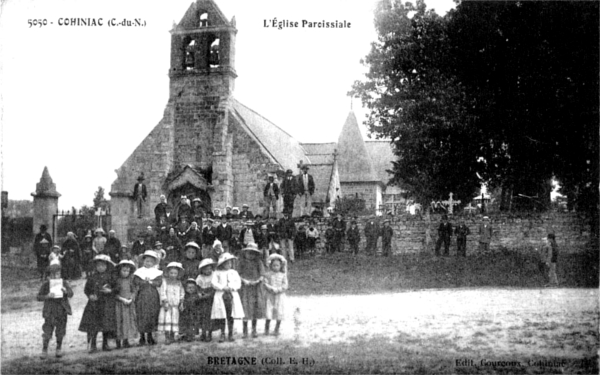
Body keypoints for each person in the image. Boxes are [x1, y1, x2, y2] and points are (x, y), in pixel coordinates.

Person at [78, 254, 117, 353]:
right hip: (94, 304)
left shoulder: (110, 277)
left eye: (103, 265)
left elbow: (117, 288)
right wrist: (90, 295)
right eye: (98, 265)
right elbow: (87, 289)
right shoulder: (92, 277)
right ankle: (93, 344)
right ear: (95, 266)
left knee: (106, 325)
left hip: (106, 303)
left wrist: (110, 291)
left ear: (107, 266)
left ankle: (105, 344)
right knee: (93, 325)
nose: (101, 267)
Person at [37, 264, 74, 359]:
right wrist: (47, 296)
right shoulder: (46, 285)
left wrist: (66, 291)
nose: (55, 277)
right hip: (50, 312)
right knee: (47, 331)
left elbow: (71, 294)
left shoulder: (64, 283)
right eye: (52, 275)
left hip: (61, 311)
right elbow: (39, 297)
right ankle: (44, 349)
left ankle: (59, 348)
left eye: (57, 274)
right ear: (48, 276)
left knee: (60, 331)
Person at [211, 253, 244, 342]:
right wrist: (222, 287)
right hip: (221, 295)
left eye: (230, 263)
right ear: (222, 264)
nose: (228, 265)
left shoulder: (234, 272)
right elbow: (214, 283)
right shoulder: (217, 273)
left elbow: (238, 283)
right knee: (222, 315)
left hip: (231, 294)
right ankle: (222, 333)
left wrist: (231, 287)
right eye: (226, 263)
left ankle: (230, 333)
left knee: (230, 314)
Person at [133, 250, 163, 346]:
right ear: (143, 261)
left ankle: (150, 336)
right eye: (146, 261)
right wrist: (143, 282)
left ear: (154, 262)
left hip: (152, 296)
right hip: (142, 295)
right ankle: (142, 336)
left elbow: (159, 283)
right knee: (141, 314)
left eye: (150, 261)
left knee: (152, 314)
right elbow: (136, 281)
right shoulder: (139, 271)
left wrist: (151, 282)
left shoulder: (156, 272)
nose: (148, 263)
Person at [238, 242, 266, 339]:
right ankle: (245, 331)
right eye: (249, 253)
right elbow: (238, 274)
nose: (251, 255)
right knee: (245, 308)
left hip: (255, 288)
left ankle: (254, 330)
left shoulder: (258, 262)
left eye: (253, 253)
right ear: (245, 253)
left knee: (255, 308)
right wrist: (244, 280)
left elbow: (262, 274)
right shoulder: (242, 262)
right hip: (245, 288)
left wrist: (258, 280)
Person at [158, 262, 185, 344]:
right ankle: (167, 337)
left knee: (174, 321)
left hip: (175, 306)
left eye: (175, 273)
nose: (173, 275)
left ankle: (173, 336)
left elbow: (182, 293)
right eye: (171, 273)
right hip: (167, 306)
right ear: (167, 273)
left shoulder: (179, 282)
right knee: (167, 320)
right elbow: (162, 292)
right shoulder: (165, 281)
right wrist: (165, 302)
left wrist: (181, 302)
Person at [113, 260, 137, 349]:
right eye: (123, 270)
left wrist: (131, 298)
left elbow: (134, 290)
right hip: (120, 304)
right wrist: (122, 299)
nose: (125, 273)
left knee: (128, 321)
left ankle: (126, 340)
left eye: (127, 271)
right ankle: (118, 341)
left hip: (129, 304)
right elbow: (114, 294)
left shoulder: (130, 280)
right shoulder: (117, 281)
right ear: (119, 270)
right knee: (119, 321)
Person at [263, 254, 288, 336]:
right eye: (273, 265)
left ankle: (276, 328)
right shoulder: (268, 274)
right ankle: (266, 329)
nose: (275, 267)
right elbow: (265, 283)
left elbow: (285, 285)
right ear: (270, 266)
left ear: (280, 266)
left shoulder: (283, 275)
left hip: (279, 296)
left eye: (277, 265)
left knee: (279, 312)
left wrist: (278, 290)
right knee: (269, 312)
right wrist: (271, 288)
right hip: (270, 295)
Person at [196, 258, 216, 342]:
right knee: (203, 316)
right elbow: (197, 287)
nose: (208, 271)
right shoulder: (200, 277)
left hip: (211, 297)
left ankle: (209, 333)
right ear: (202, 270)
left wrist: (209, 295)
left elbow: (215, 288)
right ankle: (203, 333)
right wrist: (199, 294)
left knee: (210, 316)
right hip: (203, 299)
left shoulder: (214, 275)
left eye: (209, 268)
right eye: (206, 269)